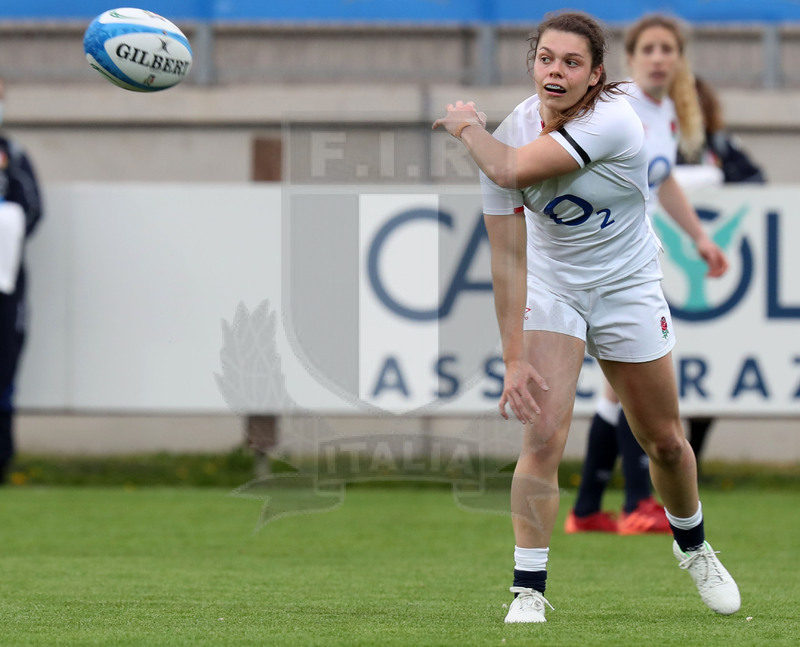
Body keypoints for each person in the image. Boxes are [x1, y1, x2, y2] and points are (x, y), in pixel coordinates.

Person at [432, 10, 740, 623]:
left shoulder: (613, 119)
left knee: (667, 443)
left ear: (596, 75)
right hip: (554, 288)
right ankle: (528, 588)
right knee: (543, 435)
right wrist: (514, 357)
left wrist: (466, 128)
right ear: (533, 64)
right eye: (546, 58)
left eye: (572, 62)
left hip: (628, 284)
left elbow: (509, 169)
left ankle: (694, 545)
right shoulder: (516, 129)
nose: (556, 71)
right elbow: (507, 258)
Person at [565, 15, 730, 536]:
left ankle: (590, 508)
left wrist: (700, 237)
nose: (660, 58)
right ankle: (639, 503)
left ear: (680, 59)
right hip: (600, 262)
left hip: (632, 263)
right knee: (634, 389)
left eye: (669, 49)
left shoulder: (668, 115)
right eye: (650, 49)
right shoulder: (618, 105)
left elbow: (663, 182)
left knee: (619, 391)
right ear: (631, 58)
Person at [0, 77, 44, 484]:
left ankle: (1, 459)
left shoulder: (12, 155)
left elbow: (32, 209)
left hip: (5, 288)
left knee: (5, 368)